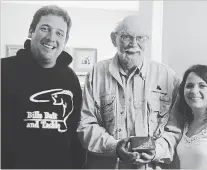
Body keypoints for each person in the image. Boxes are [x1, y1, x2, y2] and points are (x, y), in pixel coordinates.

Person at [77, 15, 182, 169]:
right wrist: (115, 147)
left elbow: (175, 129)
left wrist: (155, 151)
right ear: (114, 39)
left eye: (140, 37)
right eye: (126, 36)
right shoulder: (96, 73)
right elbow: (86, 125)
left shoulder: (167, 76)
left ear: (148, 40)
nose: (134, 44)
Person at [1, 5, 86, 169]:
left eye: (59, 33)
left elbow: (76, 129)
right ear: (31, 31)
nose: (51, 37)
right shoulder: (3, 70)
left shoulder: (70, 78)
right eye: (45, 29)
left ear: (65, 41)